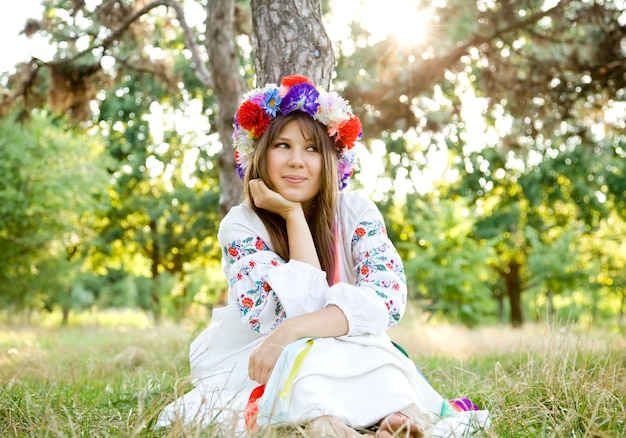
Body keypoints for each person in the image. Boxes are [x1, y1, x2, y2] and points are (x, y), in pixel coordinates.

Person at [155, 75, 490, 437]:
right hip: (268, 352)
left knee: (367, 345)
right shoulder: (242, 225)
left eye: (312, 148)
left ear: (331, 157)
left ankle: (396, 417)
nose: (297, 161)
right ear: (260, 154)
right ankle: (328, 423)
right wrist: (293, 216)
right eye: (282, 145)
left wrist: (293, 329)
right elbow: (294, 309)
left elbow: (385, 300)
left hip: (335, 343)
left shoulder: (356, 212)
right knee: (311, 352)